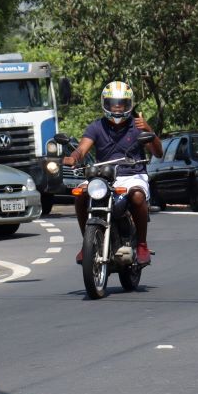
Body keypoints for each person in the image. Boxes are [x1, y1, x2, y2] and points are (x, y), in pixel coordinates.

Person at [62, 80, 163, 265]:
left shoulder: (138, 126)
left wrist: (149, 130)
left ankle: (142, 244)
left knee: (138, 196)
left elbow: (158, 152)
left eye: (121, 104)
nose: (117, 108)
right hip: (104, 176)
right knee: (80, 195)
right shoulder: (96, 127)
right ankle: (87, 243)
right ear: (105, 104)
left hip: (133, 175)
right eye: (113, 104)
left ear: (129, 104)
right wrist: (73, 158)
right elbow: (82, 149)